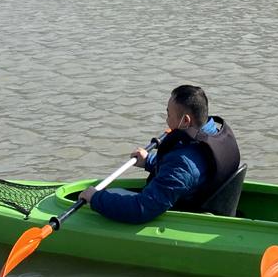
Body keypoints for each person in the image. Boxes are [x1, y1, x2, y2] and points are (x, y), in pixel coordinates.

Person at [78, 84, 240, 224]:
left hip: (187, 215)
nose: (167, 120)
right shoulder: (215, 132)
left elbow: (140, 208)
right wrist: (148, 160)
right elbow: (188, 170)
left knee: (108, 196)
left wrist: (95, 198)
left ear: (185, 121)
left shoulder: (182, 164)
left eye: (169, 114)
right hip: (204, 197)